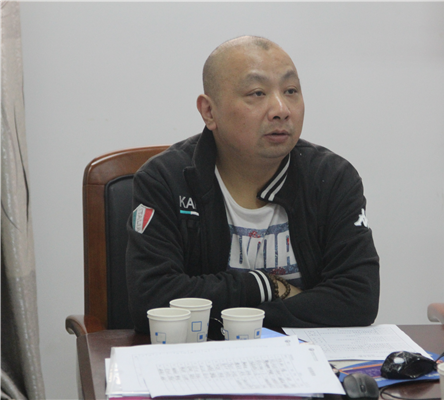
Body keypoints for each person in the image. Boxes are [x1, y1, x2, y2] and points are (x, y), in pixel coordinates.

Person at [126, 36, 379, 335]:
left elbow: (357, 299)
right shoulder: (165, 180)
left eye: (291, 91)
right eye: (257, 93)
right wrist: (265, 285)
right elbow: (153, 299)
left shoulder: (333, 179)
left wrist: (238, 318)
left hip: (302, 358)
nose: (281, 109)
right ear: (209, 112)